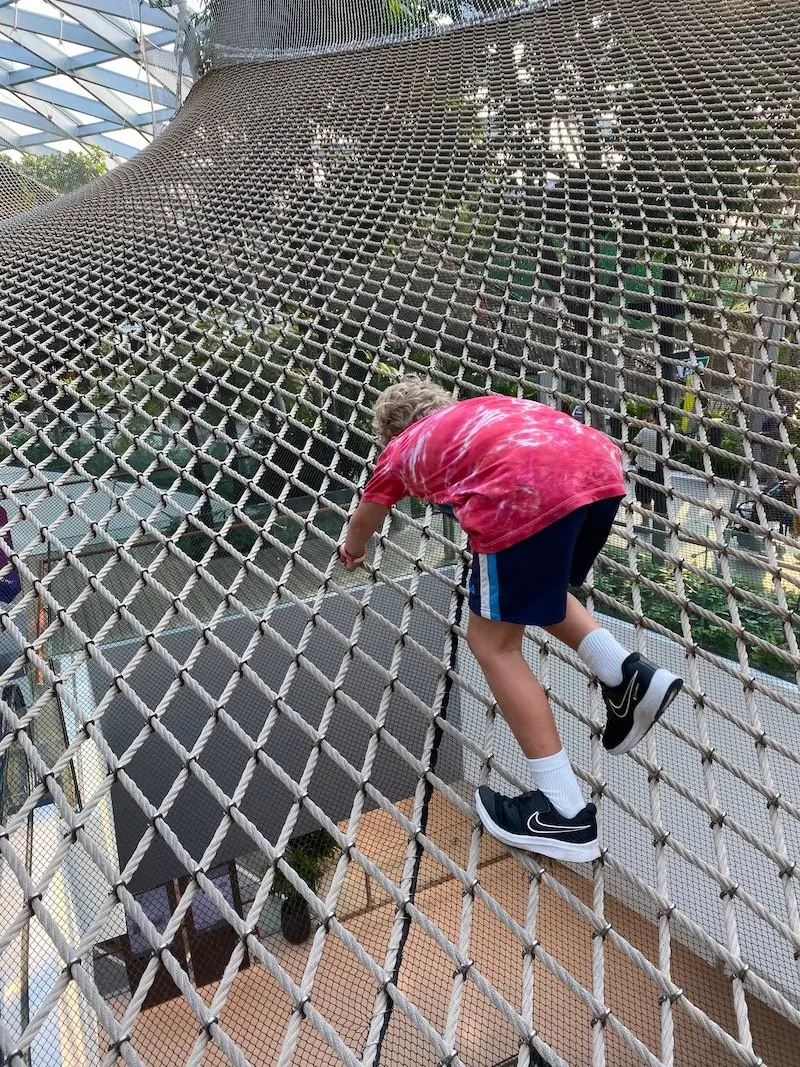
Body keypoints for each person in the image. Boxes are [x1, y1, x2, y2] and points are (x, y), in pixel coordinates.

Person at [340, 379, 683, 863]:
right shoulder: (483, 412)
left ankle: (563, 812)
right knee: (535, 593)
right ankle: (627, 674)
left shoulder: (402, 448)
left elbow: (366, 517)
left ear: (393, 430)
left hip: (522, 492)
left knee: (493, 643)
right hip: (598, 473)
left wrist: (353, 550)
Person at [632, 407, 668, 527]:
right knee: (660, 499)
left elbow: (634, 445)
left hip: (645, 469)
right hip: (661, 470)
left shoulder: (646, 430)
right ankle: (660, 526)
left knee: (645, 498)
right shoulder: (670, 429)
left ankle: (645, 523)